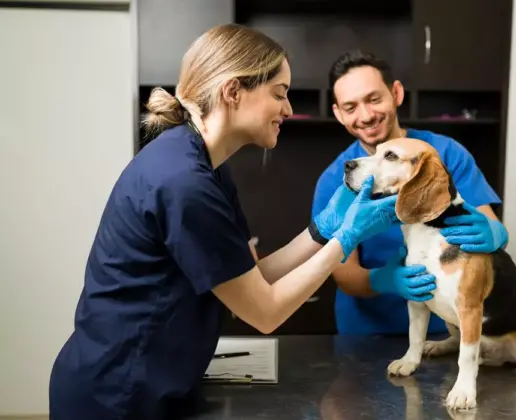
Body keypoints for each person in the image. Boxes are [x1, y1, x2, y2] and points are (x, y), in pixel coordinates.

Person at [48, 26, 401, 420]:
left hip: (150, 382)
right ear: (233, 91)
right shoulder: (184, 183)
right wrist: (347, 237)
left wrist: (323, 230)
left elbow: (249, 277)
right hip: (117, 394)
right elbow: (264, 312)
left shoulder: (206, 167)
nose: (287, 109)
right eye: (279, 93)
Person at [311, 50, 509, 336]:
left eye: (374, 99)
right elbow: (343, 274)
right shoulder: (336, 180)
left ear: (396, 93)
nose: (365, 116)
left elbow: (491, 225)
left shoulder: (444, 155)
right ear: (338, 114)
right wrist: (385, 279)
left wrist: (494, 233)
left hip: (447, 328)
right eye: (350, 107)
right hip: (369, 334)